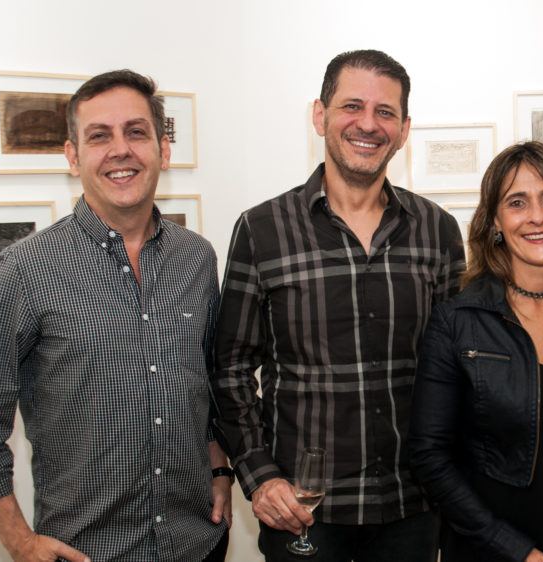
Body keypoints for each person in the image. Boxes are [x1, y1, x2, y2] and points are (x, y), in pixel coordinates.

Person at [0, 70, 232, 562]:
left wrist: (219, 469)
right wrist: (19, 542)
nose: (121, 150)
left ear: (163, 149)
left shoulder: (196, 258)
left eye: (136, 132)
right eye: (99, 136)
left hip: (197, 543)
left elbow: (207, 385)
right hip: (87, 552)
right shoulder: (27, 268)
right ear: (73, 156)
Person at [211, 49, 465, 561]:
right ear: (320, 114)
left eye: (385, 112)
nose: (368, 124)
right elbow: (231, 367)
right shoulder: (262, 230)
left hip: (412, 506)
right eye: (352, 106)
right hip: (304, 512)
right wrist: (259, 476)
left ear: (405, 127)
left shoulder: (437, 231)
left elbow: (456, 369)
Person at [408, 141, 543, 561]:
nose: (538, 216)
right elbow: (429, 457)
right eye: (517, 203)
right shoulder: (457, 321)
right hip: (497, 549)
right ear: (496, 223)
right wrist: (518, 551)